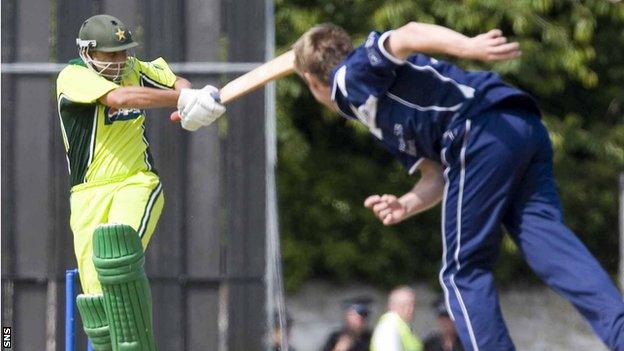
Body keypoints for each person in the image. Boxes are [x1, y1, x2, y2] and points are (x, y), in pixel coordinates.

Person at [292, 22, 624, 351]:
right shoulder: (372, 109)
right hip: (519, 124)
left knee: (461, 273)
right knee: (550, 246)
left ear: (310, 80)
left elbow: (406, 34)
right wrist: (406, 203)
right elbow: (435, 175)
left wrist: (470, 47)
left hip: (476, 129)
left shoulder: (347, 78)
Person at [56, 14, 225, 350]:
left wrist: (192, 99)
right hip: (87, 193)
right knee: (97, 299)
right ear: (87, 51)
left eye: (122, 53)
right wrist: (181, 99)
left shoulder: (136, 67)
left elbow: (178, 82)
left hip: (136, 182)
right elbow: (120, 99)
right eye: (110, 54)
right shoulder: (72, 75)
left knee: (116, 254)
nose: (119, 62)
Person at [371, 286, 423, 351]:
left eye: (413, 304)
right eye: (404, 305)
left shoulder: (401, 326)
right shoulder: (388, 327)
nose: (411, 309)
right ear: (392, 306)